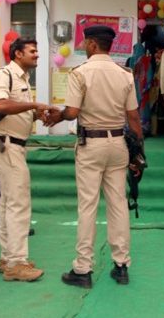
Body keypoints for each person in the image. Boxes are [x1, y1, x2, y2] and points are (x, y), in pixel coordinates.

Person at [44, 25, 143, 289]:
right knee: (118, 204)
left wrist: (58, 116)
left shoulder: (81, 73)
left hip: (91, 145)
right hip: (118, 144)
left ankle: (83, 269)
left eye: (85, 43)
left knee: (88, 206)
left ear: (91, 44)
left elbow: (73, 111)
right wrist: (139, 150)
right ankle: (121, 266)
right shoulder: (125, 74)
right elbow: (133, 116)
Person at [0, 36, 52, 282]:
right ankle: (17, 262)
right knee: (18, 204)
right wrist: (34, 104)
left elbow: (17, 113)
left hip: (13, 145)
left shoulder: (22, 78)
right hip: (7, 146)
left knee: (7, 203)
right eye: (32, 51)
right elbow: (2, 105)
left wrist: (36, 115)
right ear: (17, 54)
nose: (36, 55)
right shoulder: (4, 75)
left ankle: (7, 258)